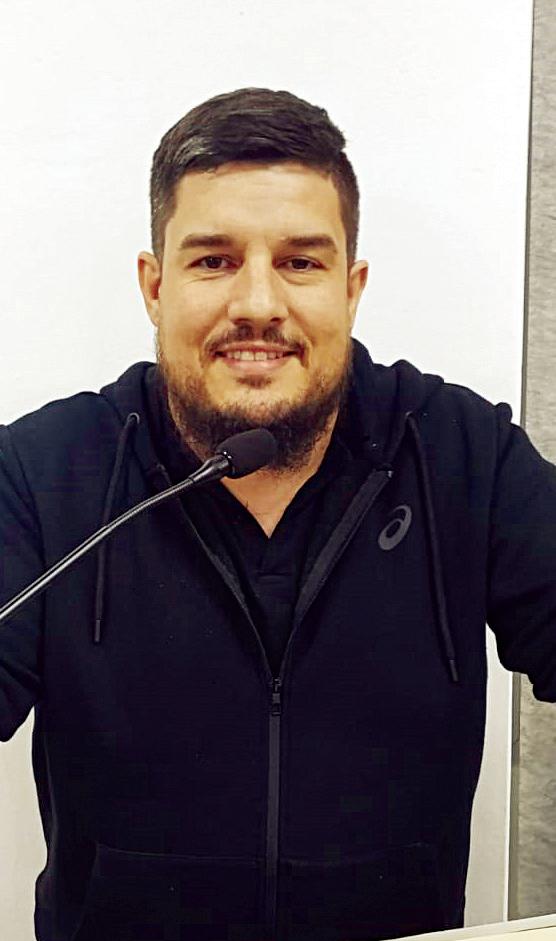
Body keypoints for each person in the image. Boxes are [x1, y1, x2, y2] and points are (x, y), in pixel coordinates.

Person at [0, 86, 555, 941]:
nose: (258, 302)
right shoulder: (43, 473)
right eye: (213, 260)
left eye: (300, 262)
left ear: (351, 287)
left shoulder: (465, 456)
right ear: (154, 286)